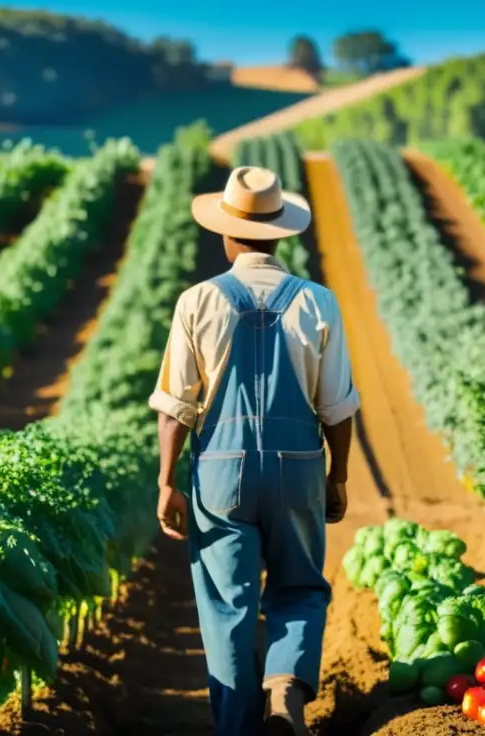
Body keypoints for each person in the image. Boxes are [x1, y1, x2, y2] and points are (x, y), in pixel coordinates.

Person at [148, 166, 360, 736]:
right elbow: (338, 408)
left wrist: (168, 480)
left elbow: (175, 406)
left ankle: (237, 727)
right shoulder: (318, 303)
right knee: (299, 585)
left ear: (227, 234)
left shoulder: (197, 301)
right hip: (298, 468)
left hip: (219, 470)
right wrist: (337, 477)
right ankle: (286, 690)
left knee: (226, 605)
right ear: (280, 234)